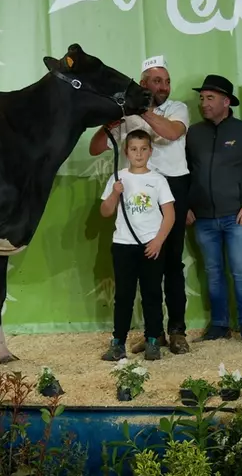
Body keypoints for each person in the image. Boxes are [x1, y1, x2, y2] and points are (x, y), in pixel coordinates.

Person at [89, 55, 191, 355]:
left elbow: (172, 133)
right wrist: (110, 121)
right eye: (156, 81)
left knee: (171, 261)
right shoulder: (127, 117)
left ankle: (177, 331)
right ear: (143, 83)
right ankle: (153, 335)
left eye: (167, 81)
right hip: (134, 188)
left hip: (172, 184)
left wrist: (142, 111)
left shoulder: (178, 109)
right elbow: (96, 148)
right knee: (143, 269)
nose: (164, 86)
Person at [184, 75, 242, 344]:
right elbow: (184, 173)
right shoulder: (193, 134)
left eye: (210, 98)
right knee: (213, 272)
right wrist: (186, 205)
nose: (204, 103)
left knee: (239, 270)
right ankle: (219, 325)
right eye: (202, 98)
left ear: (226, 101)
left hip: (236, 217)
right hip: (202, 218)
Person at [99, 129, 176, 361]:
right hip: (123, 244)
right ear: (126, 152)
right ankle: (118, 342)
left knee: (152, 293)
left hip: (150, 246)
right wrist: (114, 193)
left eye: (143, 149)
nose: (139, 154)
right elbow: (105, 211)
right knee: (123, 295)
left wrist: (158, 241)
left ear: (150, 152)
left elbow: (169, 215)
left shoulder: (158, 180)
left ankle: (153, 339)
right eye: (134, 149)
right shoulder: (118, 178)